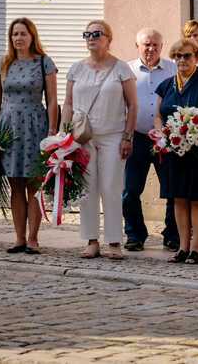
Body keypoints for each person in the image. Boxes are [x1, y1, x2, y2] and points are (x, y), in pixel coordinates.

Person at [61, 20, 137, 260]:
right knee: (86, 189)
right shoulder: (76, 68)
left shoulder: (121, 68)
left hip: (113, 135)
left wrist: (128, 136)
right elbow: (69, 103)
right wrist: (65, 135)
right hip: (83, 137)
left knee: (111, 188)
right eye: (87, 34)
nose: (91, 38)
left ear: (108, 38)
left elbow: (133, 104)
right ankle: (91, 240)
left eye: (96, 34)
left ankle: (114, 241)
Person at [0, 17, 58, 254]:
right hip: (9, 128)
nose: (18, 38)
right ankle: (18, 238)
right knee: (16, 184)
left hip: (35, 125)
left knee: (33, 185)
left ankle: (33, 238)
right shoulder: (3, 64)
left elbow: (52, 101)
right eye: (14, 34)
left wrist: (52, 132)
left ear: (32, 36)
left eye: (23, 34)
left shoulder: (44, 63)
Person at [154, 38, 198, 265]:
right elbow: (158, 115)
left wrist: (197, 132)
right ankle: (182, 247)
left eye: (187, 56)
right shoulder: (165, 85)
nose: (182, 60)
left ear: (197, 57)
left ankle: (196, 248)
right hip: (174, 151)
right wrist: (161, 133)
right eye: (178, 56)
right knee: (179, 199)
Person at [122, 28, 179, 252]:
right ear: (138, 46)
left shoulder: (173, 69)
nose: (151, 48)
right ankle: (135, 234)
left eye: (156, 44)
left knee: (172, 189)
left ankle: (172, 235)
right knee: (130, 190)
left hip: (166, 139)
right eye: (146, 44)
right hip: (136, 138)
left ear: (162, 47)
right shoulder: (127, 70)